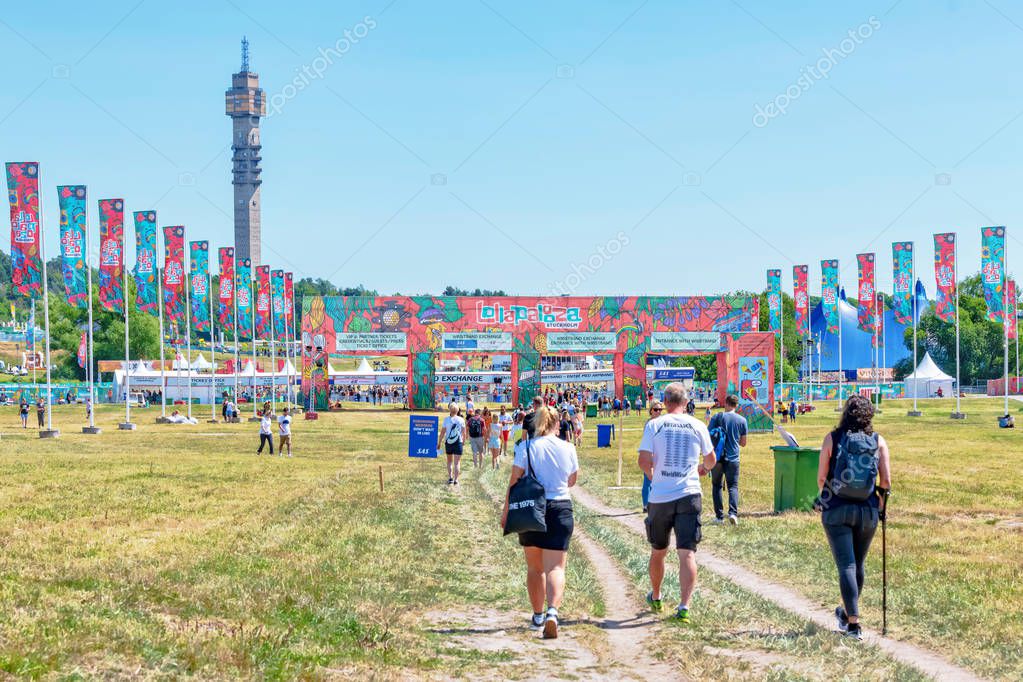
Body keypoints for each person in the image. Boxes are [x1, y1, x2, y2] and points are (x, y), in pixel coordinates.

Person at [637, 382, 715, 623]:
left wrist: (654, 477)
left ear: (665, 402)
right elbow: (711, 459)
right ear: (686, 402)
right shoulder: (698, 425)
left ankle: (657, 595)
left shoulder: (655, 425)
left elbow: (643, 461)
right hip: (689, 494)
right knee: (687, 553)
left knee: (658, 551)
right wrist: (703, 469)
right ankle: (684, 606)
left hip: (660, 496)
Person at [816, 395, 891, 640]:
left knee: (846, 565)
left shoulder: (832, 438)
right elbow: (886, 482)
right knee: (857, 564)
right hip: (867, 511)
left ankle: (853, 624)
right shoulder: (878, 441)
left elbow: (821, 478)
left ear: (845, 413)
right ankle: (848, 615)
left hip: (837, 509)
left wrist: (827, 497)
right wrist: (880, 504)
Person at [501, 405, 579, 639]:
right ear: (557, 424)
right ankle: (553, 612)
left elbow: (514, 480)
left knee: (535, 568)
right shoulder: (568, 447)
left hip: (532, 509)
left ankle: (537, 616)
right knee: (556, 567)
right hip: (560, 508)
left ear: (537, 423)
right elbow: (572, 481)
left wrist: (506, 511)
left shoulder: (526, 447)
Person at [708, 395, 748, 525]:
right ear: (737, 405)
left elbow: (708, 436)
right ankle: (733, 513)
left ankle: (719, 517)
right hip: (733, 457)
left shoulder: (717, 417)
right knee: (733, 486)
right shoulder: (742, 420)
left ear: (725, 403)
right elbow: (743, 443)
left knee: (717, 486)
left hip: (717, 457)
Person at [641, 401, 664, 512]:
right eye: (655, 409)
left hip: (661, 454)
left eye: (660, 409)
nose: (658, 412)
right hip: (650, 454)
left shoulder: (663, 422)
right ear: (651, 411)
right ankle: (646, 505)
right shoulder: (649, 424)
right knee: (648, 479)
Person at [437, 403, 466, 485]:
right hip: (458, 443)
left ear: (449, 410)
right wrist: (463, 441)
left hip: (448, 443)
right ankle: (456, 480)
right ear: (457, 410)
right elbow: (464, 433)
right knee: (457, 462)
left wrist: (439, 442)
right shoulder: (461, 420)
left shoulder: (446, 420)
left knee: (449, 461)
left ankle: (450, 478)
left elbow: (442, 433)